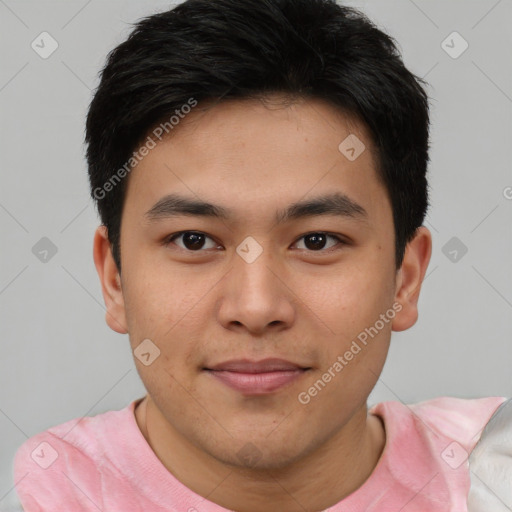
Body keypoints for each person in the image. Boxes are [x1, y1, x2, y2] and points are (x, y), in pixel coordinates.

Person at [12, 0, 512, 510]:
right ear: (114, 277)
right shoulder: (52, 490)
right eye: (194, 240)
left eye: (317, 241)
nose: (255, 308)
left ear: (405, 278)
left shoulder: (490, 473)